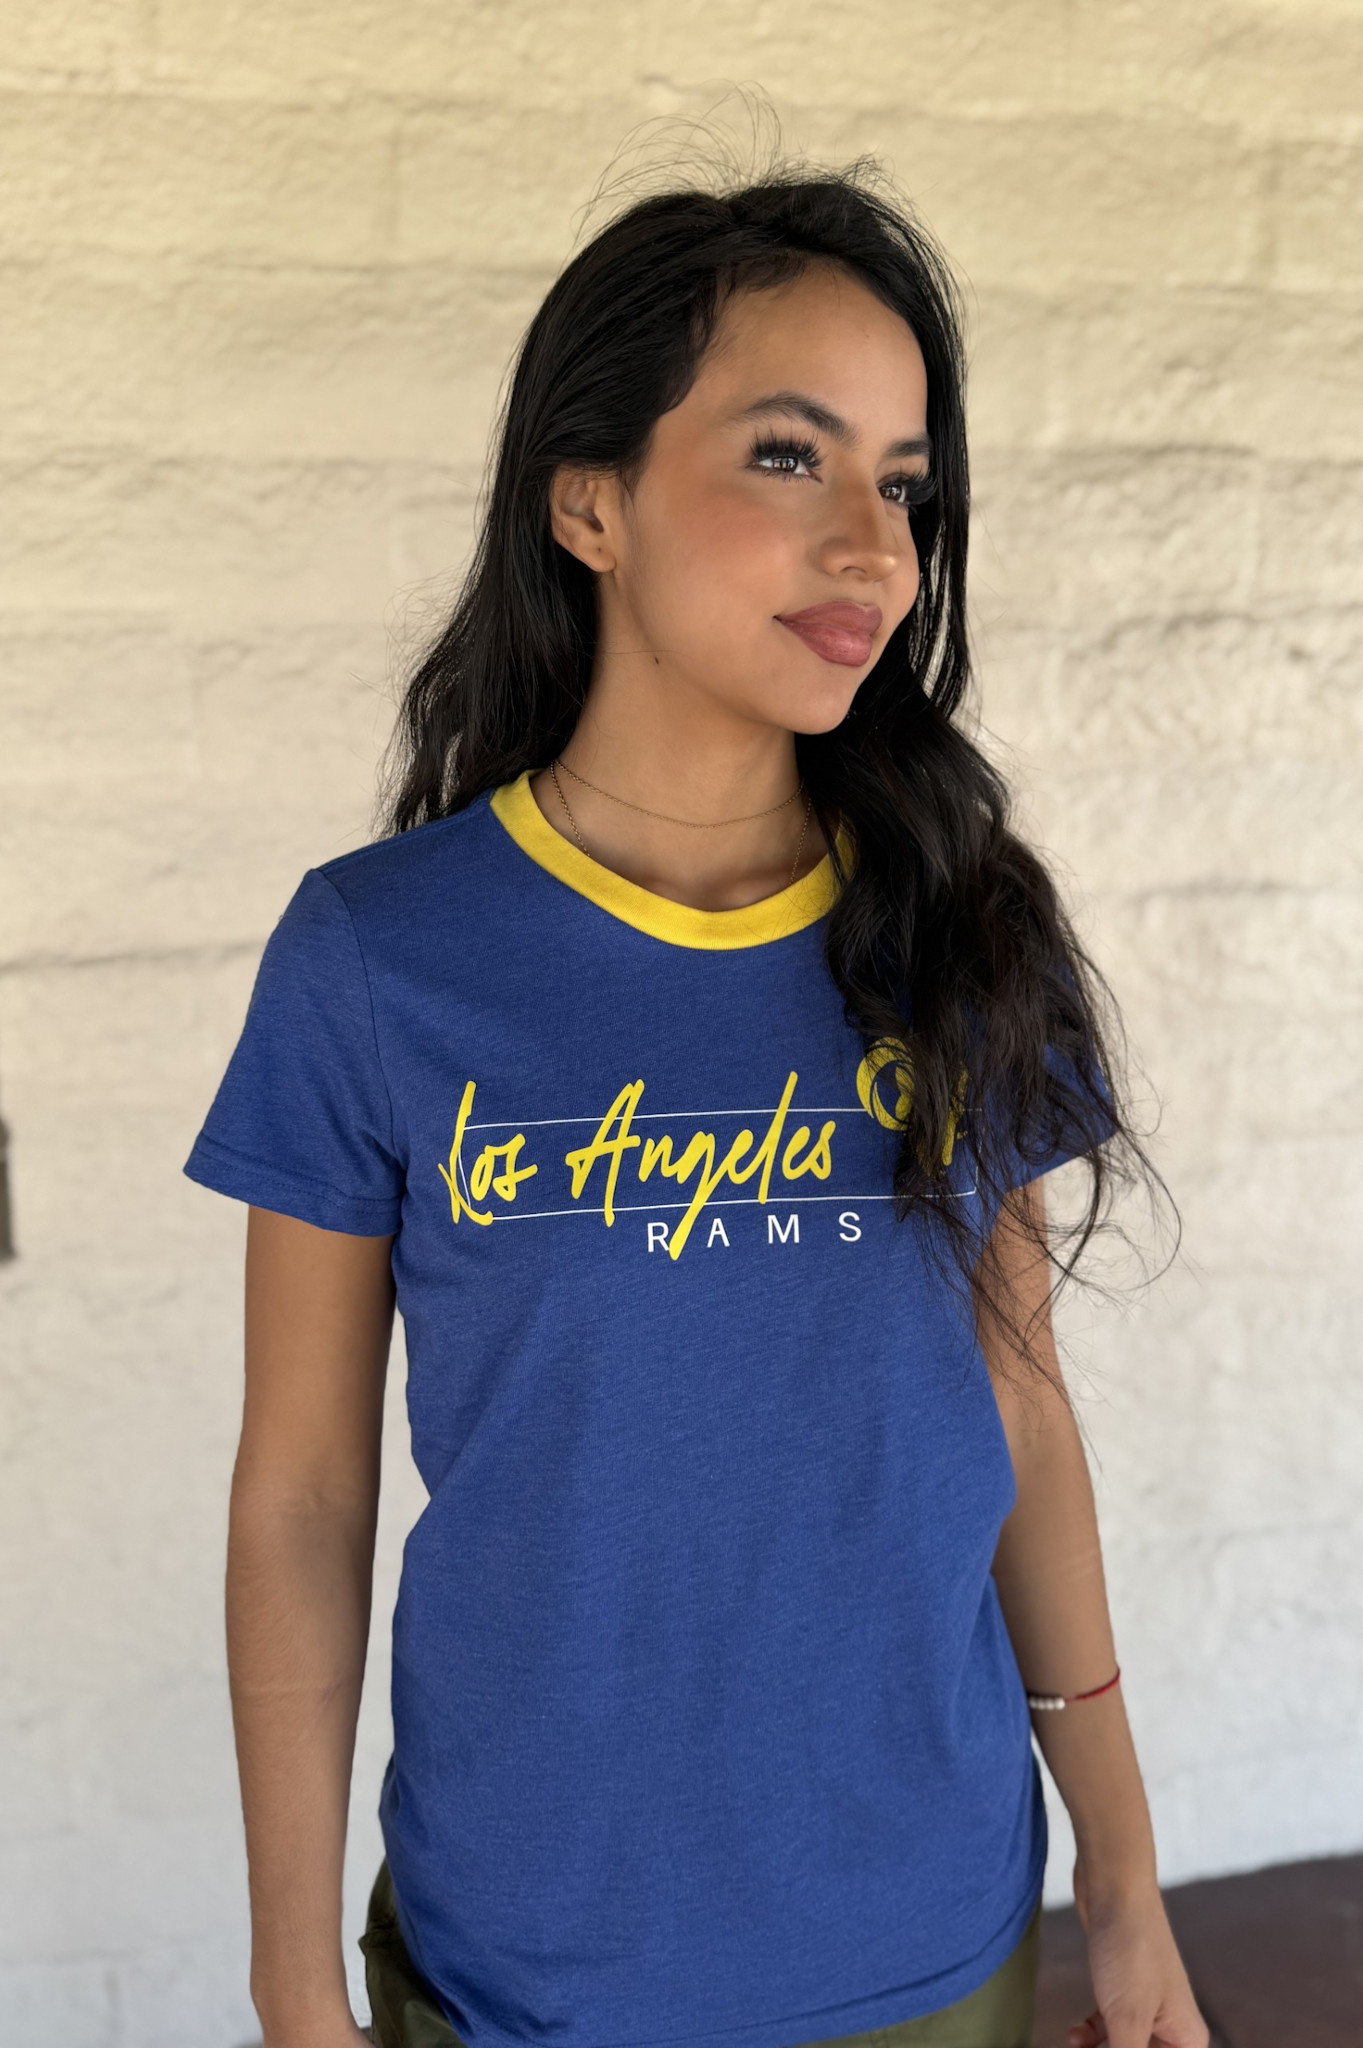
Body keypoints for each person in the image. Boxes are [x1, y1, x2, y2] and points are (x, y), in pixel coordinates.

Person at [186, 162, 1208, 2048]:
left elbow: (1021, 1419)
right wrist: (292, 1984)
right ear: (588, 501)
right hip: (527, 1971)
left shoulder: (960, 925)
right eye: (787, 457)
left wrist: (1126, 1878)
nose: (875, 548)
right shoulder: (380, 959)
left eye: (904, 485)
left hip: (931, 1946)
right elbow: (305, 1496)